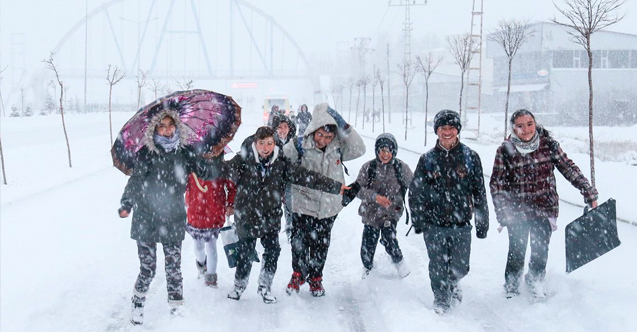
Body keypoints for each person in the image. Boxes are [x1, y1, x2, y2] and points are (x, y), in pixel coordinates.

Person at [222, 127, 349, 304]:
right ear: (255, 144)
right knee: (245, 253)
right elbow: (222, 170)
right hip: (247, 216)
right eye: (261, 144)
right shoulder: (243, 160)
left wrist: (335, 186)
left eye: (269, 143)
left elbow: (306, 176)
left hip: (270, 217)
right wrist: (206, 162)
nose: (266, 148)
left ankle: (265, 286)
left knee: (273, 251)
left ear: (274, 144)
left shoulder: (281, 163)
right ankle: (239, 286)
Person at [118, 110, 221, 325]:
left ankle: (176, 307)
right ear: (155, 129)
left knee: (174, 267)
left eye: (170, 125)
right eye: (161, 126)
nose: (166, 130)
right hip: (146, 216)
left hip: (173, 216)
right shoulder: (147, 153)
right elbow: (136, 180)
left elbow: (207, 174)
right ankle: (137, 303)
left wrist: (208, 157)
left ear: (176, 126)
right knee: (148, 269)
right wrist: (127, 202)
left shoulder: (185, 152)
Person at [490, 109, 598, 299]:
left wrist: (588, 192)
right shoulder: (505, 151)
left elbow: (569, 169)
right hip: (517, 212)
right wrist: (503, 212)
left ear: (535, 123)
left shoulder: (548, 145)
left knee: (540, 250)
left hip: (544, 208)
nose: (526, 129)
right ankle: (511, 288)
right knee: (517, 250)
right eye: (520, 126)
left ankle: (535, 283)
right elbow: (497, 185)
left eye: (530, 123)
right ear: (513, 128)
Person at [409, 109, 489, 315]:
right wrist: (418, 219)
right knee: (437, 266)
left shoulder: (471, 157)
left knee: (461, 267)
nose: (447, 132)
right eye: (443, 128)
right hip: (434, 224)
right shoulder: (427, 159)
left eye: (451, 128)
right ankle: (441, 299)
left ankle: (453, 282)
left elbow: (479, 192)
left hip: (461, 224)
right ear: (436, 131)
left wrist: (482, 222)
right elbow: (416, 191)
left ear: (458, 130)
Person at [283, 103, 366, 297]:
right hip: (303, 203)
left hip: (329, 207)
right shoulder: (299, 145)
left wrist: (345, 127)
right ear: (313, 130)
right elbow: (281, 163)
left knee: (321, 244)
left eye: (329, 137)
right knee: (299, 243)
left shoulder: (337, 147)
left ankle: (316, 278)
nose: (324, 140)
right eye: (320, 135)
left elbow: (359, 149)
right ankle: (297, 273)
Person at [355, 133, 413, 279]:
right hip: (371, 213)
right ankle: (368, 269)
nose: (385, 154)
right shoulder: (369, 168)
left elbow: (416, 185)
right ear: (376, 151)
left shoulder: (401, 168)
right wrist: (375, 197)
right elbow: (358, 190)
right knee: (367, 247)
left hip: (391, 212)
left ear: (394, 151)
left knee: (389, 237)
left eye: (388, 151)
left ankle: (399, 262)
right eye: (382, 150)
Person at [185, 161, 236, 288]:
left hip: (214, 212)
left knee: (211, 245)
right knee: (198, 246)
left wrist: (230, 203)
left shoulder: (221, 166)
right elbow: (180, 184)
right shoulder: (190, 166)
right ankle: (202, 265)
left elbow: (231, 187)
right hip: (195, 211)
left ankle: (211, 278)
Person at [269, 114, 298, 241]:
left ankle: (290, 229)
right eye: (279, 127)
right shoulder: (270, 142)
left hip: (289, 180)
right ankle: (272, 231)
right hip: (274, 181)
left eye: (285, 127)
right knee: (273, 207)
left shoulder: (294, 142)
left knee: (290, 205)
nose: (282, 130)